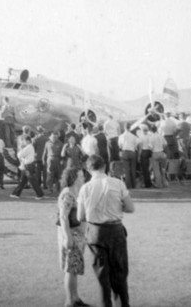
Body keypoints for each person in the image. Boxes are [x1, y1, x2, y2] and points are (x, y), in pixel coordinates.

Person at [77, 155, 135, 307]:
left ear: (89, 169)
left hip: (95, 231)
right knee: (120, 272)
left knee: (102, 274)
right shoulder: (117, 183)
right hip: (115, 230)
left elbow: (80, 216)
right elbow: (130, 208)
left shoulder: (85, 188)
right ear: (105, 167)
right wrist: (116, 207)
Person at [57, 168, 89, 307]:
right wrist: (67, 237)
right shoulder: (68, 194)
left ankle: (75, 298)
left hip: (78, 234)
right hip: (71, 234)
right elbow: (63, 217)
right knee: (70, 269)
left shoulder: (77, 192)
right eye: (80, 176)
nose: (83, 178)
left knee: (74, 268)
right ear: (73, 178)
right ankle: (70, 301)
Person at [10, 135, 44, 200]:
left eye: (24, 141)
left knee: (32, 181)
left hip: (28, 166)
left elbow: (19, 155)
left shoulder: (28, 147)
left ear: (27, 141)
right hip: (28, 165)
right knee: (23, 181)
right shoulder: (29, 147)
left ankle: (40, 194)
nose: (23, 142)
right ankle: (16, 193)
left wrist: (21, 148)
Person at [118, 123, 138, 189]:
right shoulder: (133, 136)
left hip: (125, 152)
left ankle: (128, 185)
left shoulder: (121, 136)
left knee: (126, 170)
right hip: (132, 152)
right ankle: (134, 185)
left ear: (124, 127)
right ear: (130, 128)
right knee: (133, 169)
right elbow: (136, 145)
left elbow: (120, 145)